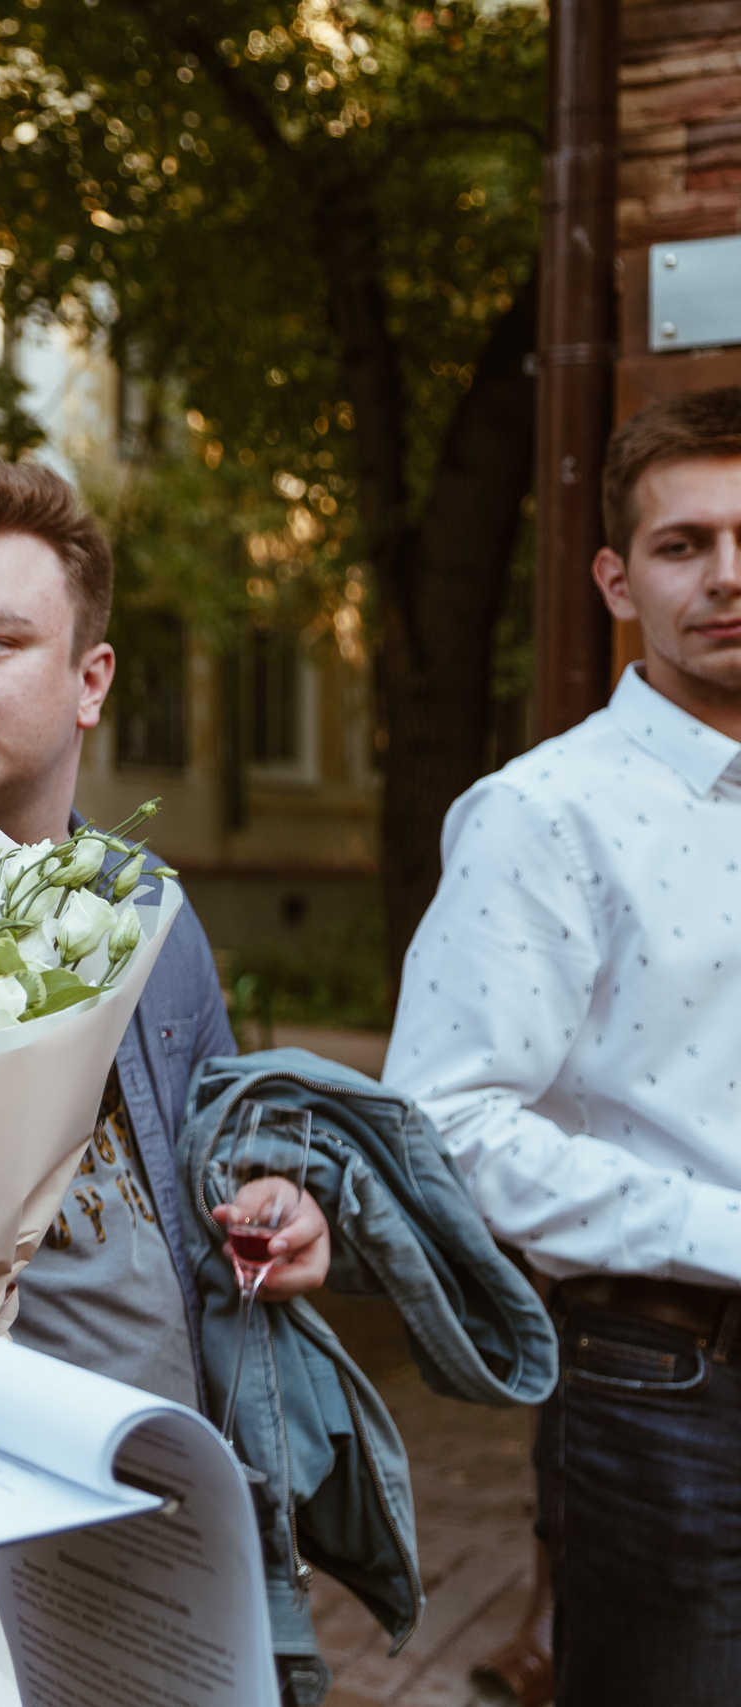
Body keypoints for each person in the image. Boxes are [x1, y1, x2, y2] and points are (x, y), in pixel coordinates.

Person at [384, 386, 741, 1706]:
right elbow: (445, 1128)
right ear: (615, 578)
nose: (727, 576)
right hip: (670, 1390)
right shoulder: (544, 813)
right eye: (683, 543)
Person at [0, 459, 330, 1405]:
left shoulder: (155, 913)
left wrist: (282, 1206)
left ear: (90, 679)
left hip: (154, 1488)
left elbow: (216, 1163)